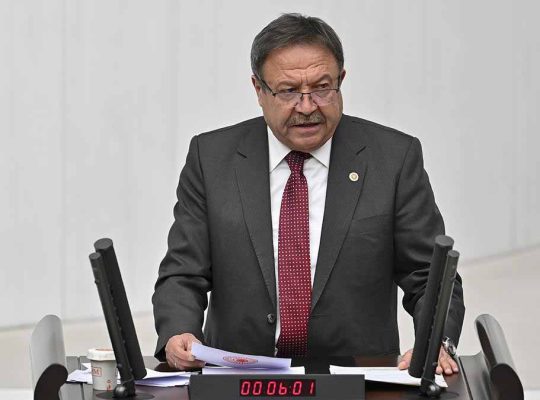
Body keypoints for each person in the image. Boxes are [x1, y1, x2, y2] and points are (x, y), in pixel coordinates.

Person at [152, 13, 465, 376]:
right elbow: (183, 271)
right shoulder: (212, 158)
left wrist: (434, 341)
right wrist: (179, 332)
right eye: (288, 91)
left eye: (322, 88)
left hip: (357, 379)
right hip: (240, 378)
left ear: (341, 81)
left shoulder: (393, 159)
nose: (307, 106)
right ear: (258, 90)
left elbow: (428, 275)